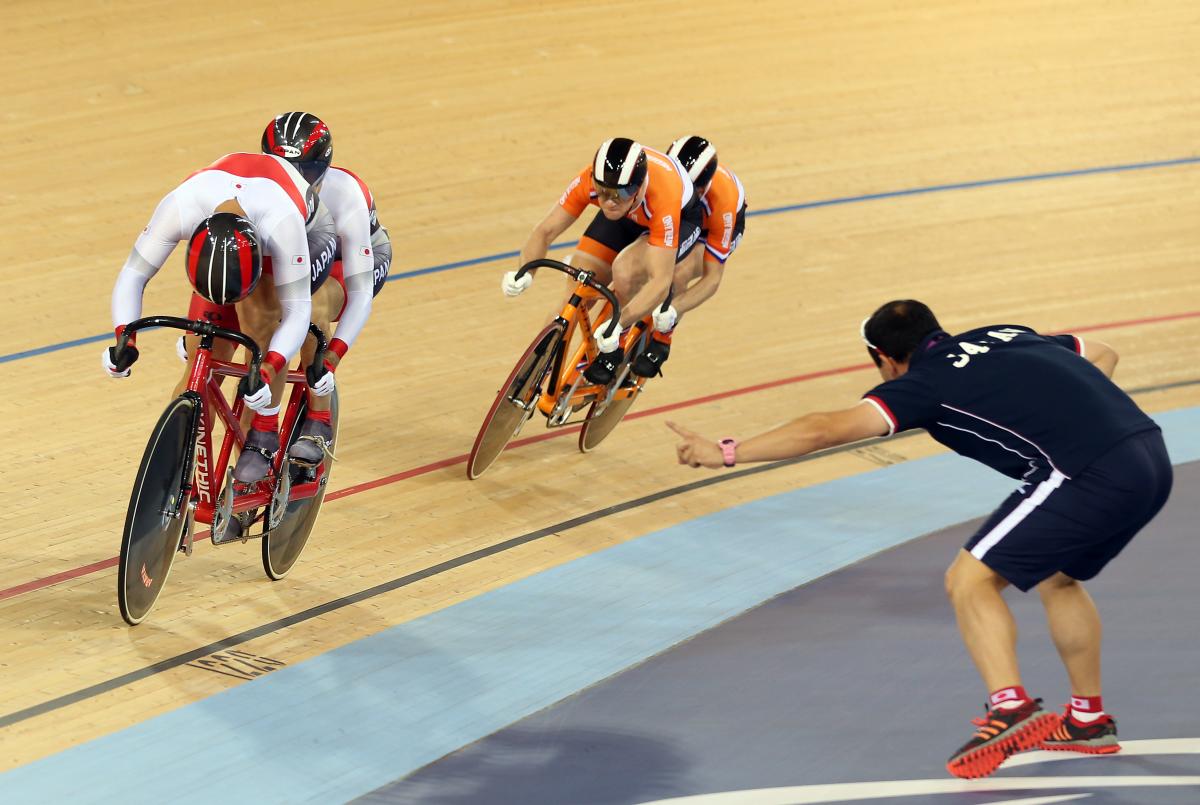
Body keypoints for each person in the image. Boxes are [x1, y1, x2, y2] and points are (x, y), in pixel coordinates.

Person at [667, 299, 1172, 779]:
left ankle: (1010, 708)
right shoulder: (1005, 335)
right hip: (1150, 454)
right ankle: (1087, 721)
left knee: (968, 579)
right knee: (1059, 580)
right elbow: (1103, 353)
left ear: (884, 358)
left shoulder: (923, 385)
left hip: (1086, 472)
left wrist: (726, 453)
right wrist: (1075, 418)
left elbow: (823, 430)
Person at [107, 151, 316, 485]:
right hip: (229, 242)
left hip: (291, 237)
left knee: (262, 331)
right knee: (201, 363)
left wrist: (268, 367)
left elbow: (298, 310)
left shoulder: (282, 224)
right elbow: (133, 275)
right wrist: (124, 337)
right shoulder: (180, 208)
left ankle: (262, 434)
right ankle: (172, 475)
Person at [503, 137, 702, 384]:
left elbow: (660, 282)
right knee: (577, 289)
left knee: (625, 271)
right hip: (628, 216)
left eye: (619, 193)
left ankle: (618, 345)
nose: (608, 201)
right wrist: (525, 273)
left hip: (679, 220)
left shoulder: (663, 195)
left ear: (638, 188)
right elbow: (545, 231)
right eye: (603, 192)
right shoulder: (594, 182)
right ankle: (534, 373)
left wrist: (619, 324)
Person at [260, 112, 391, 464]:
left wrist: (331, 358)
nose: (298, 182)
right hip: (297, 255)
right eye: (286, 169)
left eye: (307, 171)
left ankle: (318, 421)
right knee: (256, 341)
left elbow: (360, 293)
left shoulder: (346, 193)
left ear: (325, 167)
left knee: (313, 309)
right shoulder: (258, 187)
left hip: (346, 263)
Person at [635, 136, 748, 377]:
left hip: (713, 230)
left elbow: (712, 279)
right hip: (685, 217)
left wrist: (674, 308)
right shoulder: (664, 177)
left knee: (678, 272)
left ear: (703, 186)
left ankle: (663, 338)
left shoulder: (723, 201)